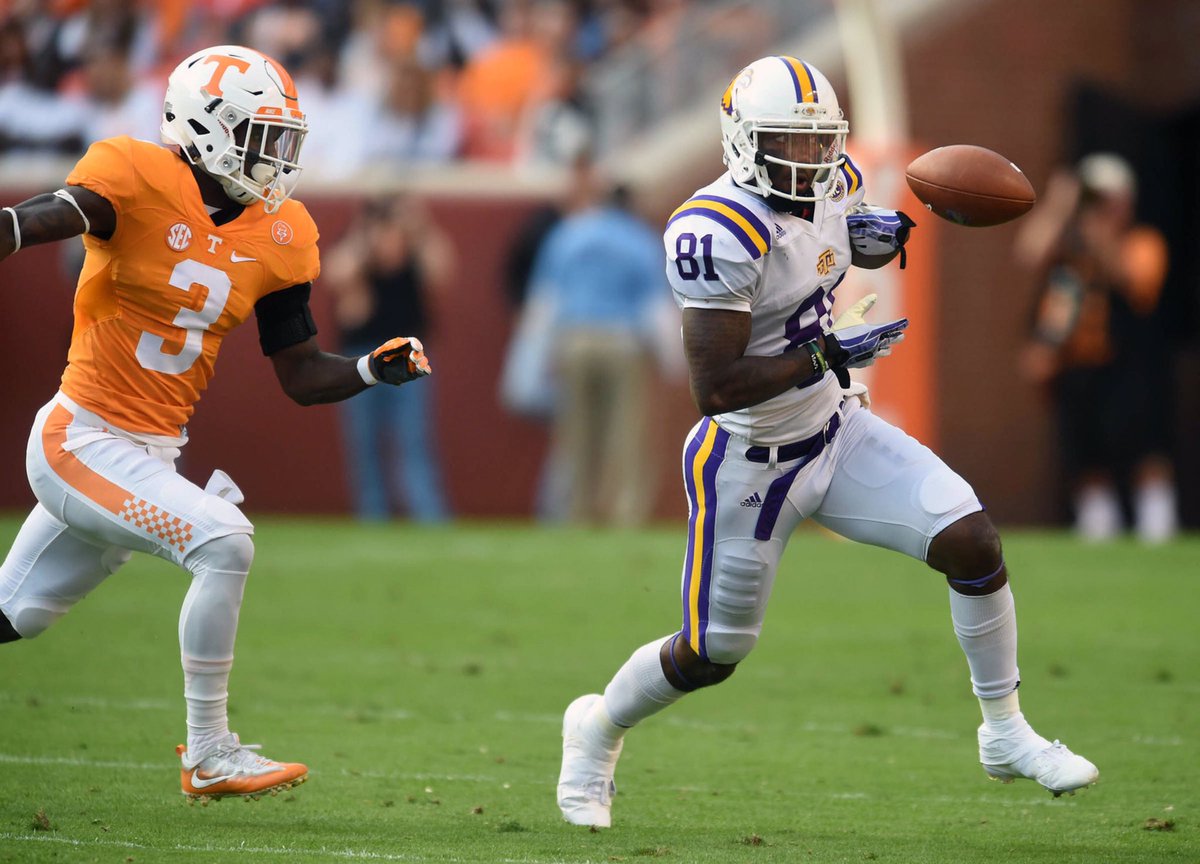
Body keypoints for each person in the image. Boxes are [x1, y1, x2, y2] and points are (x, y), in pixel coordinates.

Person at [556, 55, 1099, 828]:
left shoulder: (831, 179)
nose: (810, 160)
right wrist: (827, 351)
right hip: (748, 459)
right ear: (743, 141)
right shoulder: (716, 228)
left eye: (820, 143)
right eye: (790, 142)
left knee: (972, 541)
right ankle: (598, 727)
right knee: (713, 654)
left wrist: (884, 234)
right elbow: (716, 387)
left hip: (835, 430)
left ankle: (1005, 731)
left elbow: (836, 241)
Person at [0, 45, 432, 802]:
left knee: (16, 614)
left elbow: (298, 372)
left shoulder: (282, 232)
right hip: (82, 437)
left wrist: (368, 369)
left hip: (148, 456)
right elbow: (49, 215)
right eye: (264, 136)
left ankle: (210, 753)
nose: (278, 157)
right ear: (208, 127)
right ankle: (209, 754)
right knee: (224, 540)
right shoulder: (134, 173)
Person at [1016, 153, 1178, 543]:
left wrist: (1097, 230)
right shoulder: (1069, 247)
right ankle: (1098, 530)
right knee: (1083, 453)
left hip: (1129, 367)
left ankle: (1157, 529)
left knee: (1142, 447)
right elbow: (1029, 254)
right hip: (1077, 368)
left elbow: (1131, 281)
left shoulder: (1143, 242)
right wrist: (1059, 207)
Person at [523, 156, 673, 525]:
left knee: (576, 436)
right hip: (622, 343)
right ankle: (624, 515)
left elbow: (545, 302)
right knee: (626, 435)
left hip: (574, 339)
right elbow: (656, 309)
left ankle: (576, 512)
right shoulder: (640, 240)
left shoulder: (570, 233)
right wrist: (675, 363)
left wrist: (535, 356)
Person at [324, 194, 453, 522]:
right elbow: (337, 275)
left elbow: (442, 271)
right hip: (361, 355)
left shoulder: (415, 249)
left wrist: (420, 228)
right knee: (364, 445)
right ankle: (373, 518)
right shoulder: (355, 247)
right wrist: (363, 234)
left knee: (414, 441)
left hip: (408, 356)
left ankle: (428, 516)